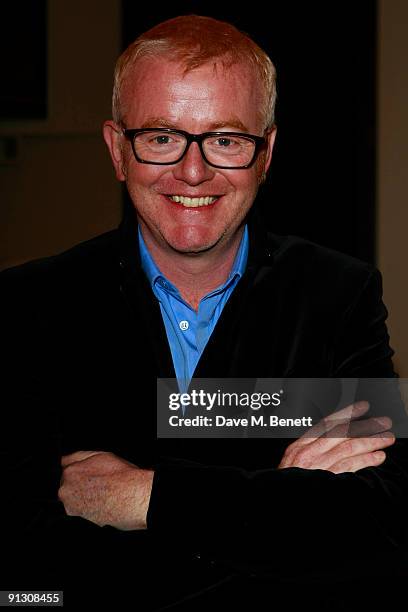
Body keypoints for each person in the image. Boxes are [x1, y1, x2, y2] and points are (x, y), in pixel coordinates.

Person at [1, 14, 407, 612]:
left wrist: (148, 497)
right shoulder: (27, 308)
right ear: (118, 150)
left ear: (265, 155)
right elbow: (24, 583)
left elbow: (385, 528)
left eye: (226, 139)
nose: (193, 171)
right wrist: (279, 503)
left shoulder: (338, 296)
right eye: (162, 137)